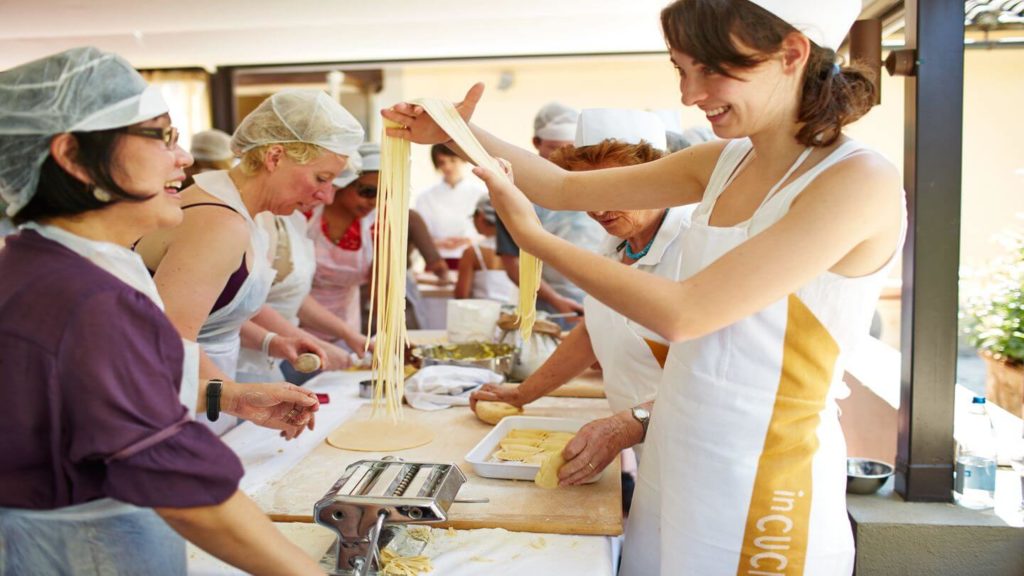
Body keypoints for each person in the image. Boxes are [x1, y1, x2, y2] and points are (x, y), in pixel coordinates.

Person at [384, 1, 901, 573]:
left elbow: (689, 311)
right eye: (681, 69)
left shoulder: (856, 180)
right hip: (675, 451)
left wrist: (535, 239)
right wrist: (456, 132)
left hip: (766, 473)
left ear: (792, 53)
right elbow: (557, 187)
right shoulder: (724, 162)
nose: (690, 94)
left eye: (711, 69)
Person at [0, 46, 324, 575]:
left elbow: (98, 404)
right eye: (161, 137)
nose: (184, 158)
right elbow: (188, 495)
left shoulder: (69, 265)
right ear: (72, 155)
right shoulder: (82, 296)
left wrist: (230, 394)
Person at [470, 109, 691, 516]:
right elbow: (595, 330)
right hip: (654, 447)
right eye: (587, 191)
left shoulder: (695, 244)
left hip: (706, 456)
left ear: (659, 175)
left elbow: (723, 374)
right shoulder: (617, 245)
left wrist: (630, 422)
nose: (598, 208)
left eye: (616, 187)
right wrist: (523, 393)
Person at [136, 88, 363, 435]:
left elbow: (217, 309)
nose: (325, 195)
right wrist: (236, 397)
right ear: (274, 157)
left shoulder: (248, 215)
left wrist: (274, 342)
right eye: (321, 177)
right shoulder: (219, 223)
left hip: (207, 392)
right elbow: (169, 339)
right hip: (178, 400)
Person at [493, 102, 606, 321]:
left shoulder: (595, 183)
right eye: (555, 147)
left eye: (572, 148)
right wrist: (557, 301)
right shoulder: (512, 189)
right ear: (536, 142)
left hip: (603, 301)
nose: (564, 156)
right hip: (547, 308)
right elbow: (513, 261)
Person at [414, 143, 487, 269]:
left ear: (463, 160)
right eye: (442, 162)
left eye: (453, 160)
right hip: (437, 261)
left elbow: (491, 233)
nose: (448, 167)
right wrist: (437, 243)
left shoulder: (481, 194)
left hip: (473, 260)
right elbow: (419, 234)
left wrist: (470, 240)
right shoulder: (424, 197)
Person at [454, 195, 518, 303]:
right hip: (512, 316)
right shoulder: (520, 249)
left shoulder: (472, 252)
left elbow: (461, 294)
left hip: (480, 316)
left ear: (480, 216)